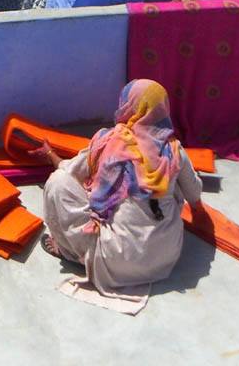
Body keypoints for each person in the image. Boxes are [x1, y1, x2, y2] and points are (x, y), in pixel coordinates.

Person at [31, 79, 203, 314]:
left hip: (116, 262)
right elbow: (194, 194)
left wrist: (50, 153)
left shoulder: (110, 142)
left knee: (57, 182)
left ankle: (71, 252)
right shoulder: (174, 150)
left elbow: (70, 170)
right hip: (165, 261)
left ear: (129, 106)